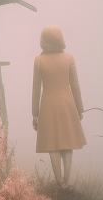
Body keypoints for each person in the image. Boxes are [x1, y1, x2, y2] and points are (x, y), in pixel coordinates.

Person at [32, 25, 86, 188]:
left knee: (52, 144)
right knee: (67, 143)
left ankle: (57, 180)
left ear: (43, 40)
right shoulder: (69, 58)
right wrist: (80, 108)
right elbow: (75, 85)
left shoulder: (39, 60)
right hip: (67, 104)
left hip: (48, 104)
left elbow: (36, 88)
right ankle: (66, 182)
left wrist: (35, 113)